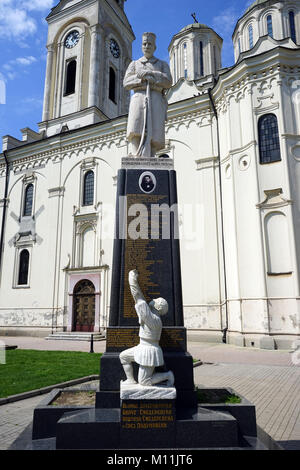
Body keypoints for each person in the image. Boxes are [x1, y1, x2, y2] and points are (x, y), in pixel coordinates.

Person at [120, 270, 175, 387]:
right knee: (124, 356)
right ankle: (130, 380)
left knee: (144, 381)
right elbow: (141, 300)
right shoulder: (151, 316)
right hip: (142, 346)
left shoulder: (153, 319)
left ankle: (168, 375)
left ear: (158, 307)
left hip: (148, 351)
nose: (153, 300)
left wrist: (132, 280)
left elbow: (139, 298)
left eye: (156, 300)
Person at [123, 32, 172, 158]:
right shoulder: (134, 64)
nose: (147, 46)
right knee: (136, 125)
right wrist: (141, 78)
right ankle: (135, 153)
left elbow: (168, 81)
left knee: (155, 129)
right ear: (141, 46)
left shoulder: (162, 64)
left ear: (154, 47)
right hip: (139, 97)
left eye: (150, 44)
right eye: (144, 44)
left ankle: (151, 155)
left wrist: (153, 75)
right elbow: (126, 82)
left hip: (155, 97)